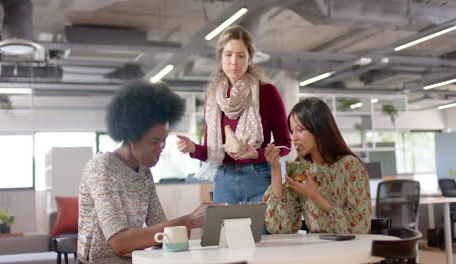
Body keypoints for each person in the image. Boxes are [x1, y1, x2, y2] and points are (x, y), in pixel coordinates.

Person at [77, 81, 219, 263]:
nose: (160, 148)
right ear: (131, 137)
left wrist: (195, 225)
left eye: (164, 141)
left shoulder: (144, 172)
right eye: (153, 141)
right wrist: (189, 221)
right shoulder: (102, 168)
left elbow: (159, 226)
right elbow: (119, 243)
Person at [177, 25, 291, 204]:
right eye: (228, 54)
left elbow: (285, 144)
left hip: (259, 177)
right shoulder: (213, 98)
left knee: (262, 233)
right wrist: (192, 148)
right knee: (226, 232)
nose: (234, 62)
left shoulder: (267, 92)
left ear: (250, 58)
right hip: (224, 180)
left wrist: (257, 154)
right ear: (220, 57)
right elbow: (211, 152)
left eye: (241, 55)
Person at [263, 97, 372, 234]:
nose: (294, 137)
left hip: (347, 249)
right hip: (316, 248)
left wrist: (314, 195)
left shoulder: (350, 166)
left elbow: (360, 227)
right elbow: (280, 226)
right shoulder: (303, 168)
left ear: (319, 129)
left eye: (300, 129)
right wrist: (275, 168)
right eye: (292, 131)